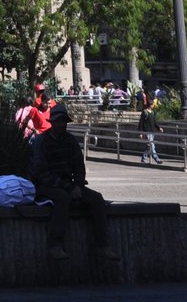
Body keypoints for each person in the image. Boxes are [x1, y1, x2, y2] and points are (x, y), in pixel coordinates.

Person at [30, 104, 120, 263]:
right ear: (52, 122)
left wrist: (78, 185)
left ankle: (102, 245)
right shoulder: (41, 141)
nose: (61, 124)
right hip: (47, 186)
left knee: (97, 199)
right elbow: (41, 173)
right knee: (62, 198)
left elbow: (79, 166)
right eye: (58, 121)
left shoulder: (70, 140)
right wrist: (69, 187)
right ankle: (55, 244)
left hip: (69, 184)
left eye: (64, 121)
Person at [138, 98, 163, 165]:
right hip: (147, 131)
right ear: (150, 105)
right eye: (153, 105)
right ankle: (157, 159)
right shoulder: (145, 112)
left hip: (152, 132)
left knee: (149, 147)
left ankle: (144, 157)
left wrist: (159, 128)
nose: (154, 106)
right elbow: (141, 123)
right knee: (152, 146)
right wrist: (140, 132)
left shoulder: (152, 112)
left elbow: (154, 122)